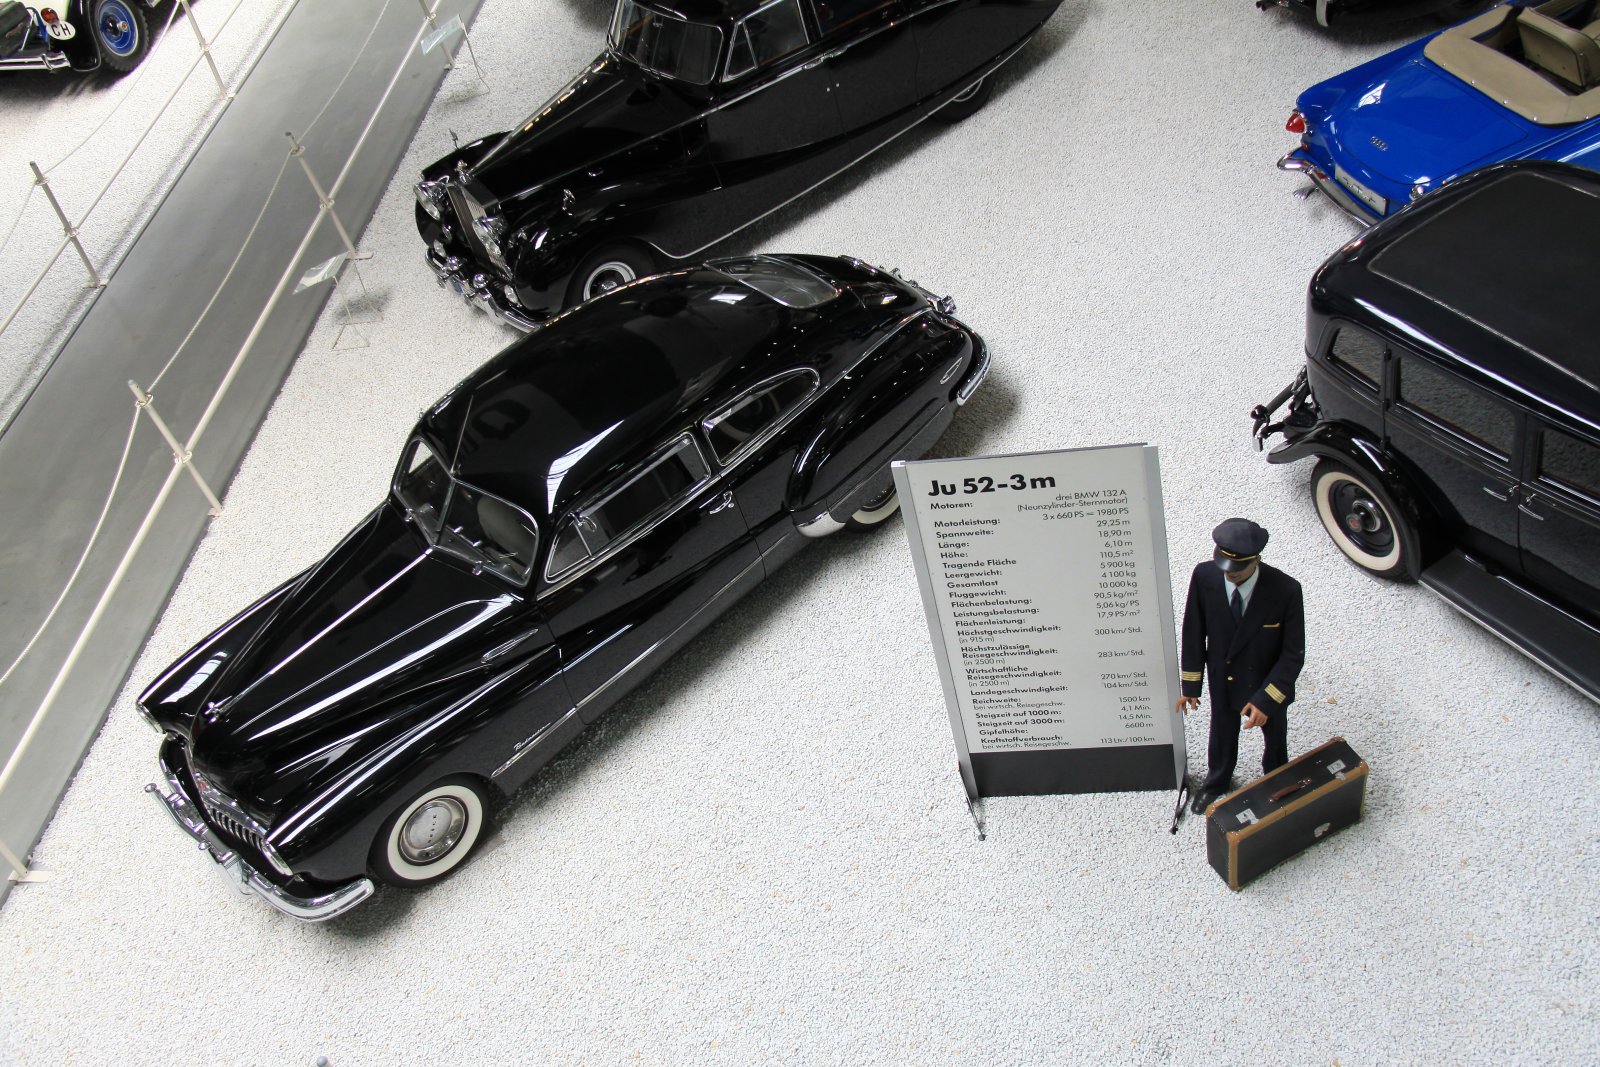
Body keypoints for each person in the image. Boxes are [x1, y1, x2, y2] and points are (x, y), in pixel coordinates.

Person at [1175, 518, 1305, 815]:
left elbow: (1293, 654)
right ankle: (1216, 782)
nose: (1229, 574)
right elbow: (1193, 631)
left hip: (1266, 681)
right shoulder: (1205, 576)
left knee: (1275, 740)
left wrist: (1266, 700)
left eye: (1238, 568)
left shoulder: (1285, 590)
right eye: (1224, 566)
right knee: (1221, 733)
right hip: (1224, 678)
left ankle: (1276, 781)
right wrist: (1191, 685)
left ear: (1256, 559)